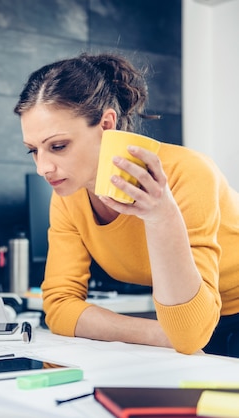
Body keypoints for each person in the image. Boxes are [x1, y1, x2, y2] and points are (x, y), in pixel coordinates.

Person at [13, 52, 239, 358]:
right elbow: (59, 308)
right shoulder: (69, 197)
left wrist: (162, 218)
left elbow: (189, 334)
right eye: (33, 151)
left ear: (107, 124)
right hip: (188, 328)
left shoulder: (188, 173)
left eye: (58, 146)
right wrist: (157, 333)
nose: (43, 168)